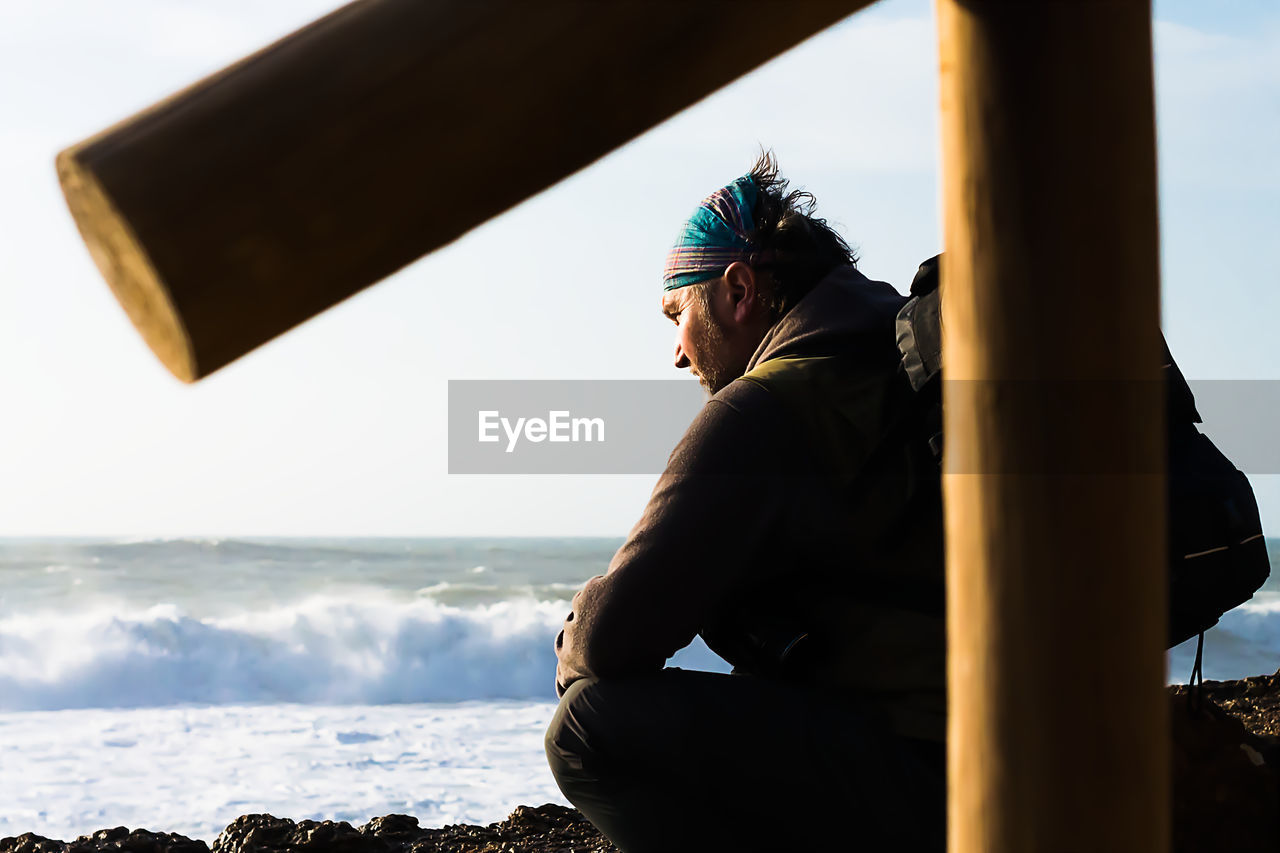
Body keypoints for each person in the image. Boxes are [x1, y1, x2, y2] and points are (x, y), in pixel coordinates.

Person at [544, 153, 947, 852]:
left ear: (737, 291)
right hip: (1054, 748)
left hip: (929, 777)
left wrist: (572, 632)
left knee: (588, 725)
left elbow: (609, 638)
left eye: (678, 313)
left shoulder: (768, 406)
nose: (676, 352)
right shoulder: (912, 362)